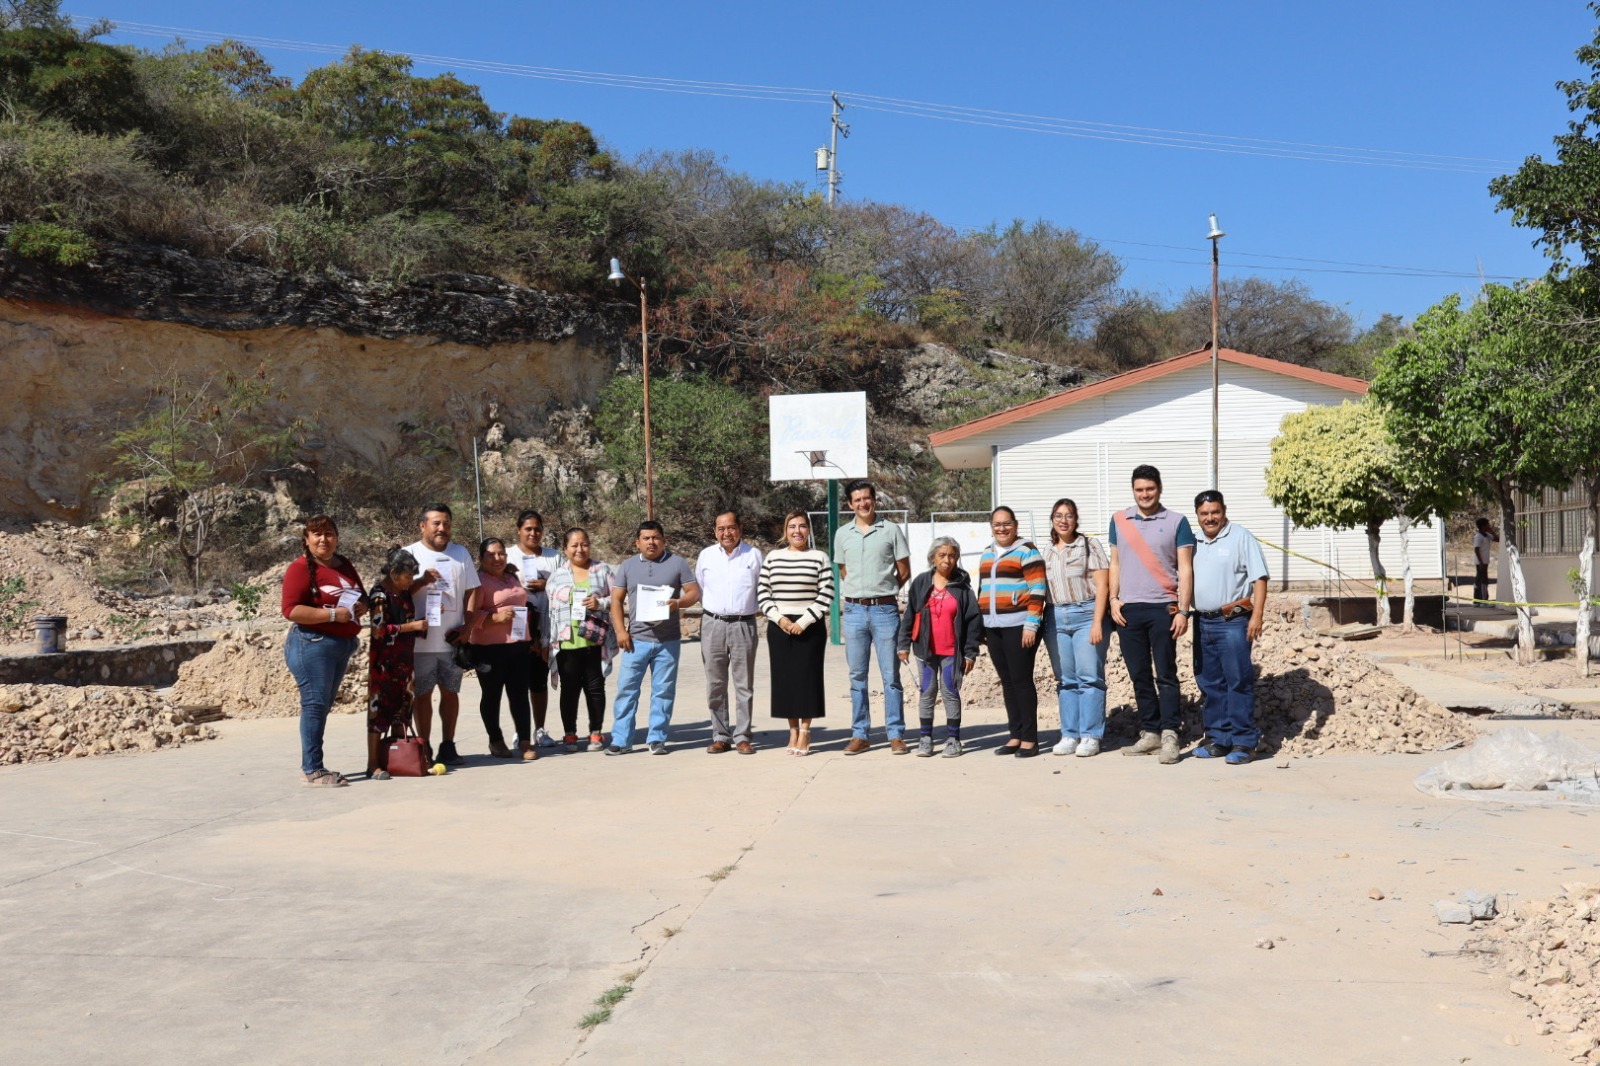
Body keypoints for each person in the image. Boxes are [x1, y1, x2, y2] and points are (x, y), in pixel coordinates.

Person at [1108, 465, 1195, 765]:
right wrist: (1113, 599)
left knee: (1166, 674)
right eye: (1139, 490)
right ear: (1133, 490)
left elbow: (1185, 569)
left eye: (1150, 489)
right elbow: (1115, 564)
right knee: (1139, 675)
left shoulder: (1177, 522)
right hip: (1129, 610)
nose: (1145, 495)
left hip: (1164, 608)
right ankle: (1150, 732)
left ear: (1160, 488)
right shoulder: (1119, 520)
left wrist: (1183, 610)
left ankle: (1171, 733)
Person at [280, 514, 367, 787]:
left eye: (329, 533)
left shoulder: (344, 564)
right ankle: (313, 769)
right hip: (311, 645)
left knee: (323, 705)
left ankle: (314, 765)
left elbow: (359, 594)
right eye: (316, 534)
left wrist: (362, 606)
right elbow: (291, 610)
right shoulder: (299, 569)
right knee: (315, 706)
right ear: (306, 540)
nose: (323, 539)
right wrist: (332, 617)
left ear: (337, 537)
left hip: (341, 646)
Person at [606, 520, 701, 755]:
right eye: (646, 538)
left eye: (656, 537)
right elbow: (616, 600)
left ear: (664, 540)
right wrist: (620, 631)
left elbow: (694, 593)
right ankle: (621, 739)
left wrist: (678, 603)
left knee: (663, 691)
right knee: (627, 690)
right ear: (637, 542)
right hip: (634, 640)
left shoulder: (677, 563)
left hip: (667, 642)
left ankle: (657, 738)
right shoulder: (627, 566)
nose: (651, 542)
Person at [1190, 491, 1269, 765]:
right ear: (1197, 516)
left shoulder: (1240, 537)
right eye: (1204, 514)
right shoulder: (1194, 541)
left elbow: (1259, 578)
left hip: (1233, 621)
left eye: (1215, 512)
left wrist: (1257, 615)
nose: (1210, 518)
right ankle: (1217, 739)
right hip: (1201, 621)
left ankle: (1244, 742)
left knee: (1238, 680)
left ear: (1224, 511)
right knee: (1210, 682)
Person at [834, 480, 912, 755]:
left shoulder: (890, 530)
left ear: (874, 500)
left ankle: (895, 734)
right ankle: (860, 734)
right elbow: (844, 571)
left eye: (867, 498)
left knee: (891, 675)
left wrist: (883, 592)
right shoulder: (842, 534)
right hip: (854, 611)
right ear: (849, 504)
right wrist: (861, 593)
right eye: (857, 500)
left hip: (885, 611)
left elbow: (904, 569)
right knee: (857, 677)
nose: (862, 504)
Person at [404, 503, 480, 766]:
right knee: (422, 695)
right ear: (422, 526)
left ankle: (448, 745)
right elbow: (398, 593)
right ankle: (423, 748)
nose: (442, 528)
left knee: (450, 693)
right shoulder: (408, 554)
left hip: (452, 640)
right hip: (419, 642)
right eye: (436, 523)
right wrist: (422, 581)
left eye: (446, 523)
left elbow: (472, 591)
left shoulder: (460, 553)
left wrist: (468, 628)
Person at [758, 510, 834, 757]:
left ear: (808, 530)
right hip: (779, 627)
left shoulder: (819, 557)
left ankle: (805, 731)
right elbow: (763, 593)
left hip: (810, 627)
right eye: (792, 526)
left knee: (808, 680)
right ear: (785, 530)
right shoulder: (773, 558)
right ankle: (791, 730)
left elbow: (826, 594)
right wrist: (779, 618)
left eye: (802, 526)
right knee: (785, 681)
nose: (797, 531)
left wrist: (804, 621)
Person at [897, 536, 980, 758]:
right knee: (927, 692)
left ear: (957, 558)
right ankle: (925, 739)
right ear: (933, 557)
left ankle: (954, 740)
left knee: (950, 691)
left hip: (952, 651)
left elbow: (973, 621)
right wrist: (903, 644)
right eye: (942, 555)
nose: (947, 560)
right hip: (925, 650)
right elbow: (910, 615)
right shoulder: (922, 583)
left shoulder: (962, 587)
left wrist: (971, 653)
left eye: (952, 555)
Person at [1042, 498, 1111, 758]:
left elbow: (1102, 585)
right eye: (1058, 515)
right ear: (1052, 519)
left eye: (1069, 515)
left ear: (1076, 519)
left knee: (1089, 677)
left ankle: (1091, 735)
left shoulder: (1089, 545)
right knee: (1066, 680)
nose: (1063, 520)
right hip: (1056, 618)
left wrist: (1097, 621)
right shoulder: (1047, 551)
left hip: (1086, 615)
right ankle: (1069, 734)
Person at [977, 506, 1048, 757]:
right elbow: (982, 590)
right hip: (993, 627)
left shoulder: (1027, 552)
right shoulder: (987, 554)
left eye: (1007, 524)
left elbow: (1038, 589)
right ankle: (1015, 735)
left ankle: (1030, 739)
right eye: (997, 524)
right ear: (991, 526)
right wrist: (981, 625)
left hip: (1019, 626)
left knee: (1021, 680)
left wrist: (1032, 624)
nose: (1002, 528)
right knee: (1007, 682)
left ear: (1015, 525)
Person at [695, 510, 764, 754]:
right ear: (715, 531)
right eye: (721, 529)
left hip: (743, 624)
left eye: (731, 527)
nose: (727, 533)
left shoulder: (754, 556)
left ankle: (743, 736)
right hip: (713, 624)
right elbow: (700, 589)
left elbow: (763, 590)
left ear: (740, 529)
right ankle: (721, 735)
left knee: (744, 684)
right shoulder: (706, 556)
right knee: (715, 683)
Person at [545, 527, 617, 752]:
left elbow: (617, 597)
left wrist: (600, 604)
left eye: (584, 544)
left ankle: (596, 733)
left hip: (595, 640)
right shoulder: (557, 576)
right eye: (574, 545)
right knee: (569, 690)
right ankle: (570, 734)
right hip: (568, 642)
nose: (579, 549)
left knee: (596, 688)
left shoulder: (603, 570)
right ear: (565, 549)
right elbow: (550, 609)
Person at [469, 537, 536, 761]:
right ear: (481, 558)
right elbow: (469, 615)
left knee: (519, 694)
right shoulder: (478, 581)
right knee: (492, 695)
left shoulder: (512, 577)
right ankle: (496, 740)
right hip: (489, 648)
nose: (497, 558)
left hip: (518, 644)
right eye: (491, 555)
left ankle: (525, 741)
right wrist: (494, 617)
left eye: (501, 554)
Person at [366, 547, 428, 779]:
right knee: (378, 714)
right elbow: (379, 630)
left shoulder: (403, 595)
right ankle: (373, 764)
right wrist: (411, 627)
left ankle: (397, 760)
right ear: (393, 573)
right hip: (384, 666)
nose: (410, 581)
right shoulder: (379, 595)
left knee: (401, 712)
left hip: (405, 663)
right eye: (408, 576)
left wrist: (420, 626)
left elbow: (407, 622)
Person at [506, 510, 560, 748]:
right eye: (528, 529)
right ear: (518, 530)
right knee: (518, 683)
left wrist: (547, 584)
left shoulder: (554, 557)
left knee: (538, 682)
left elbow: (564, 585)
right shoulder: (507, 555)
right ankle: (520, 731)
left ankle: (540, 729)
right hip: (517, 628)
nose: (533, 533)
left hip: (546, 627)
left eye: (537, 529)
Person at [1472, 517, 1499, 603]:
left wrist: (1491, 531)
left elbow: (1497, 539)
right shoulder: (1478, 536)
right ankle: (1481, 599)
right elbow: (1476, 549)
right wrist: (1481, 562)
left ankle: (1481, 599)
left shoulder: (1487, 535)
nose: (1489, 526)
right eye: (1487, 525)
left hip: (1485, 561)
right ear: (1483, 526)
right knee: (1481, 580)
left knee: (1483, 579)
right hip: (1481, 562)